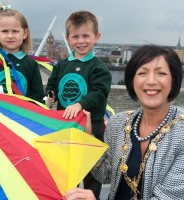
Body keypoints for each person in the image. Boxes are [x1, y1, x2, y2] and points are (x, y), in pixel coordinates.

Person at [65, 45, 184, 200]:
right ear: (132, 81)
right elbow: (104, 174)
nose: (151, 81)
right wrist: (88, 138)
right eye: (142, 73)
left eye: (161, 73)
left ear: (173, 80)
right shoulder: (118, 123)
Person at [46, 11, 112, 199]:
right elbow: (52, 86)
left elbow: (99, 92)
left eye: (86, 36)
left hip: (92, 127)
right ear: (68, 39)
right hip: (65, 125)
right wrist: (49, 97)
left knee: (92, 171)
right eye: (75, 36)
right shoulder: (61, 65)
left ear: (96, 37)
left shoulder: (99, 67)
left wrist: (80, 104)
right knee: (65, 170)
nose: (81, 41)